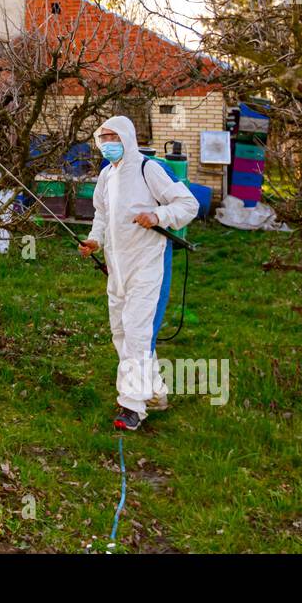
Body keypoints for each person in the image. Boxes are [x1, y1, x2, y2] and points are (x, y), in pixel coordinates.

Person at [78, 115, 198, 431]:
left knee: (135, 333)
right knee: (122, 333)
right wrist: (94, 240)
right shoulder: (106, 176)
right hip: (117, 268)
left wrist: (157, 215)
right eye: (102, 138)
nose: (107, 144)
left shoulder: (149, 169)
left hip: (147, 266)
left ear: (128, 138)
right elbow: (102, 216)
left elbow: (188, 204)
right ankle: (156, 391)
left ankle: (132, 406)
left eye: (113, 137)